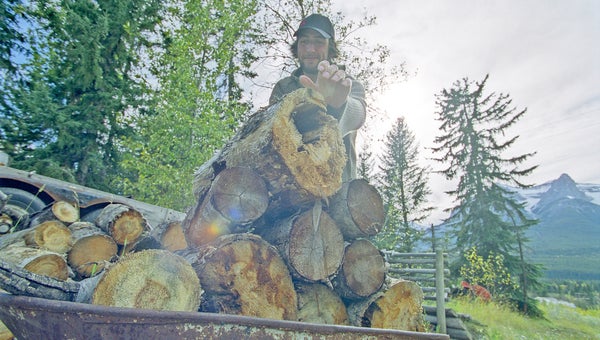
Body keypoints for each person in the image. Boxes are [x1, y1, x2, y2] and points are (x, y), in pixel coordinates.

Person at [269, 13, 367, 181]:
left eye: (319, 42)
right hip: (290, 192)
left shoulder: (348, 84)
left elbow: (358, 115)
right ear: (297, 46)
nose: (310, 49)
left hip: (340, 191)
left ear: (330, 48)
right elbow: (271, 135)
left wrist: (338, 104)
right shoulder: (283, 88)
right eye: (304, 41)